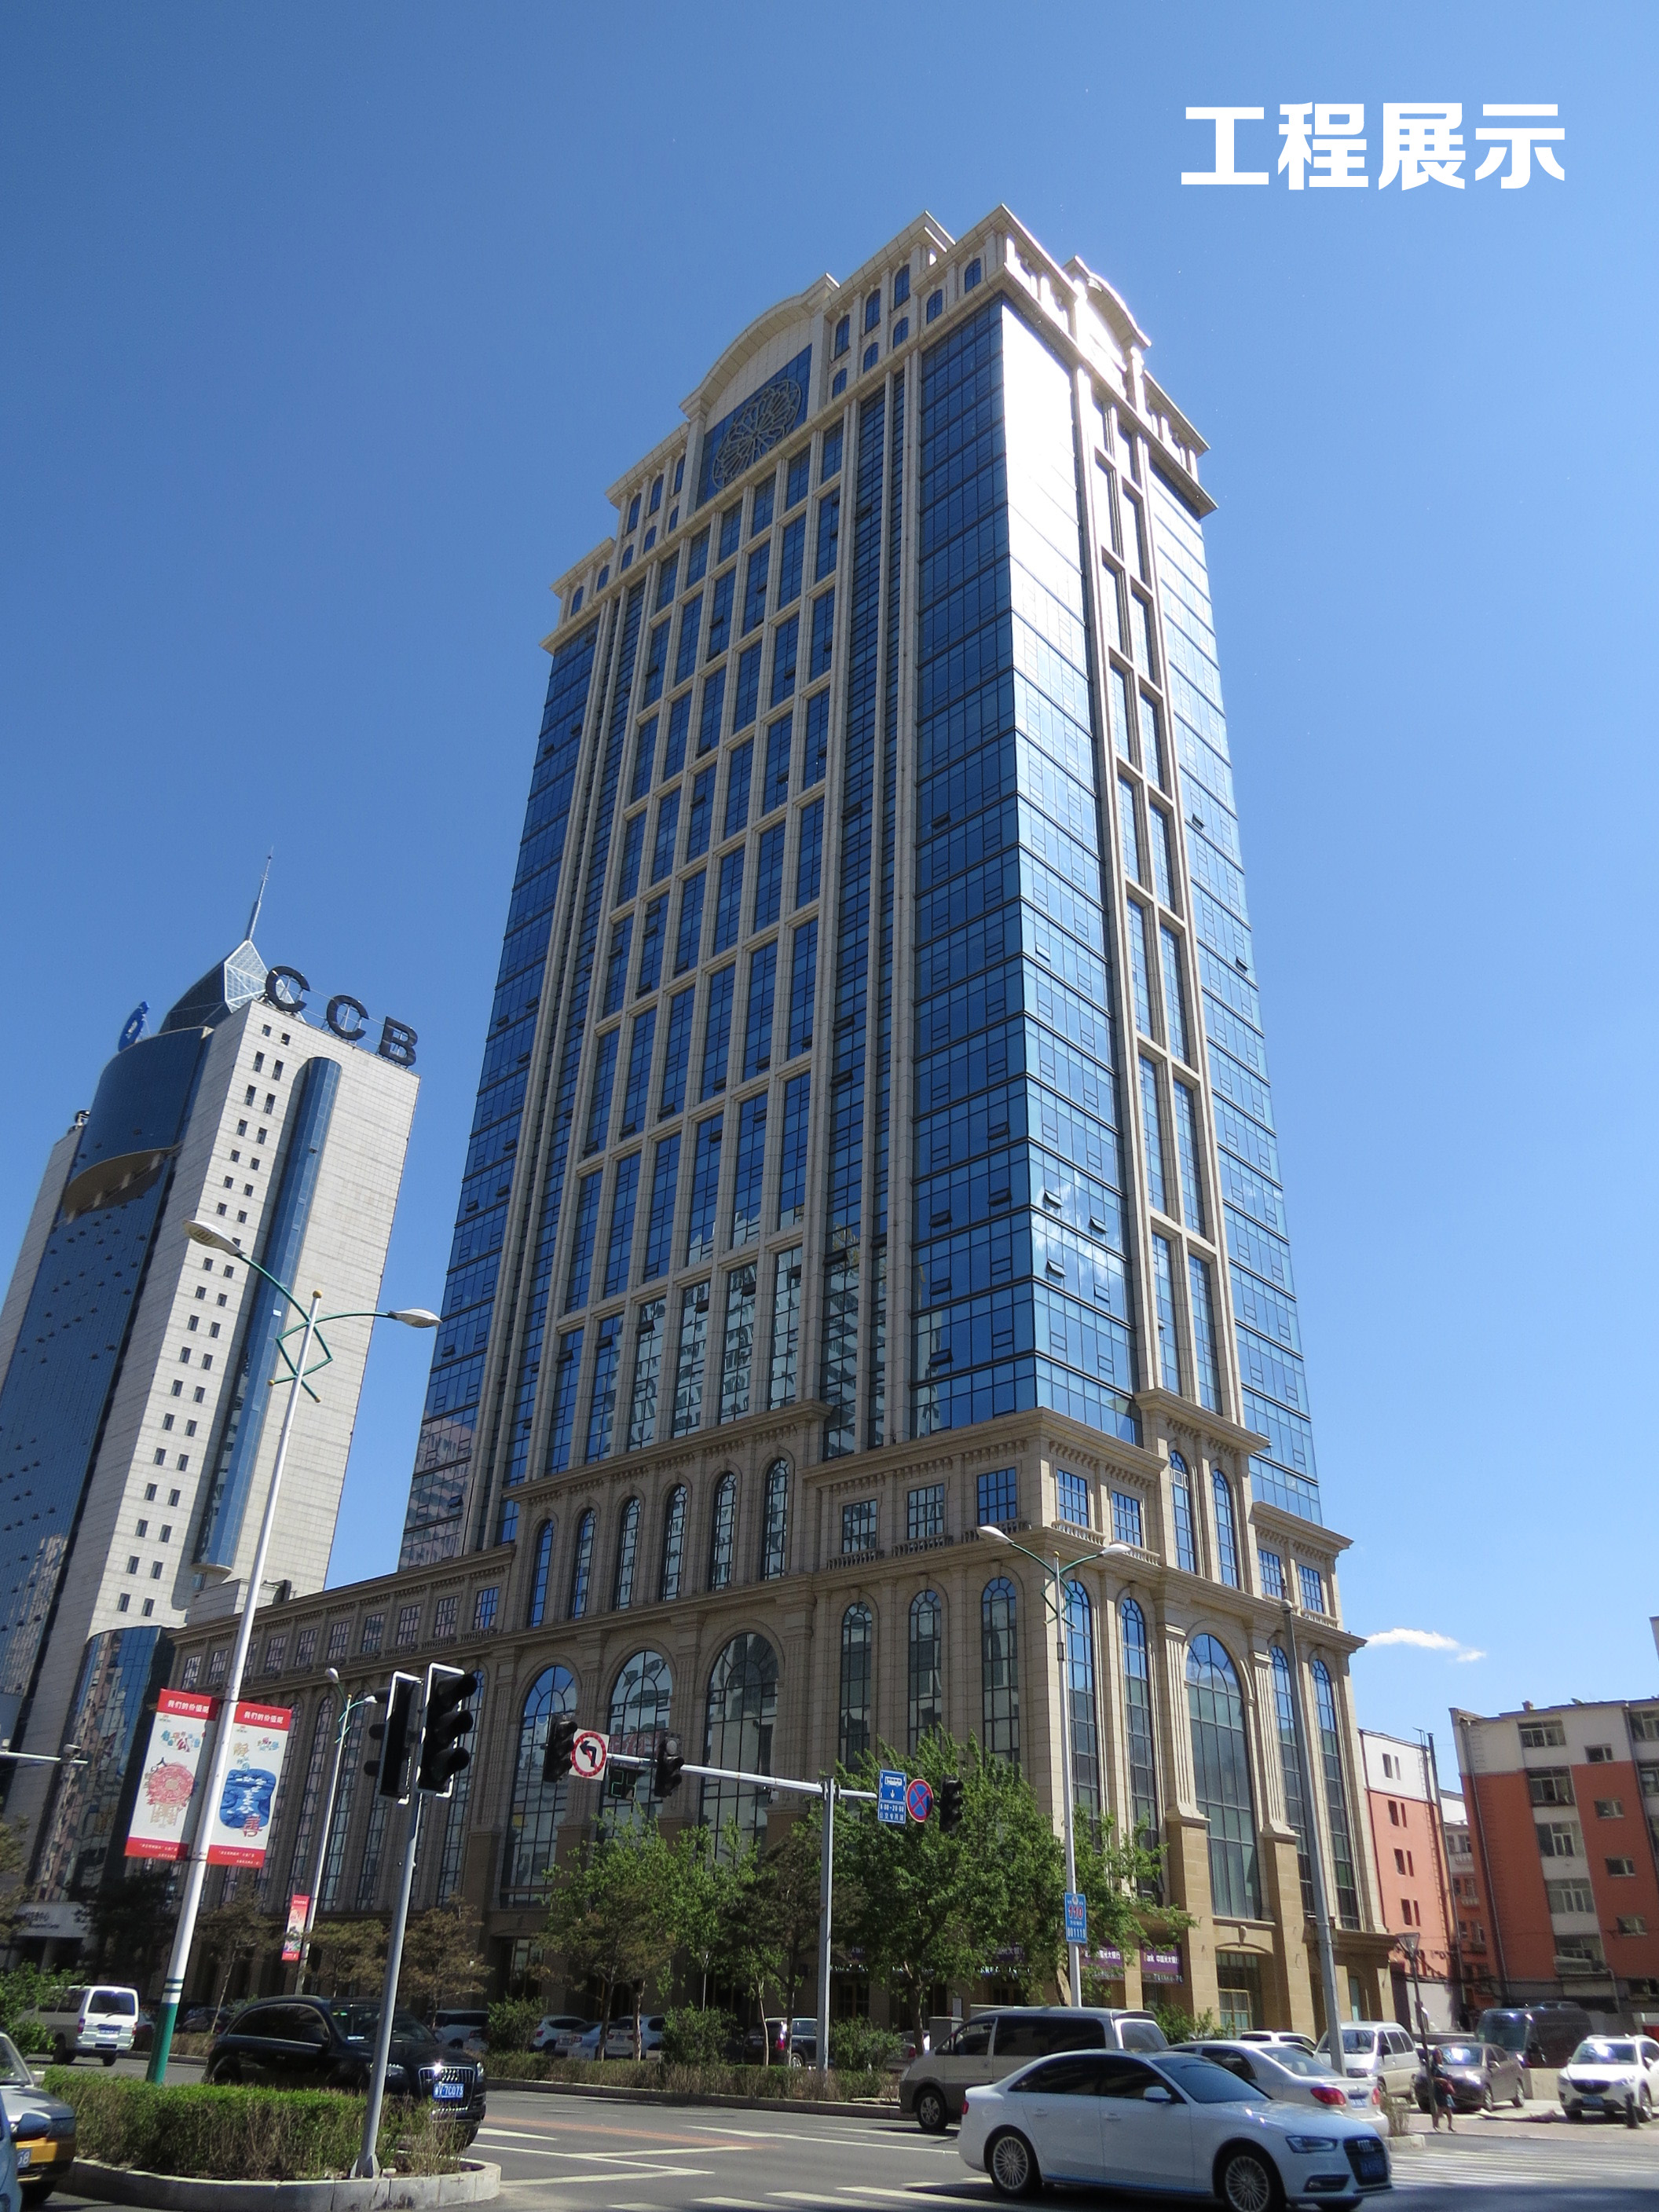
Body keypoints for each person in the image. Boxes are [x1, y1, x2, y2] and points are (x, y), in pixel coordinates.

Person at [1429, 2044, 1456, 2133]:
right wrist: (1441, 2080)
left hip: (1445, 2089)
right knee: (1442, 2108)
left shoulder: (1443, 2066)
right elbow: (1433, 2078)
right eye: (1437, 2054)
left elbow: (1445, 2075)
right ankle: (1435, 2124)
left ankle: (1450, 2126)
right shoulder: (1434, 2066)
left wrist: (1449, 2077)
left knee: (1449, 2108)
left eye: (1440, 2054)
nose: (1439, 2056)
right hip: (1439, 2089)